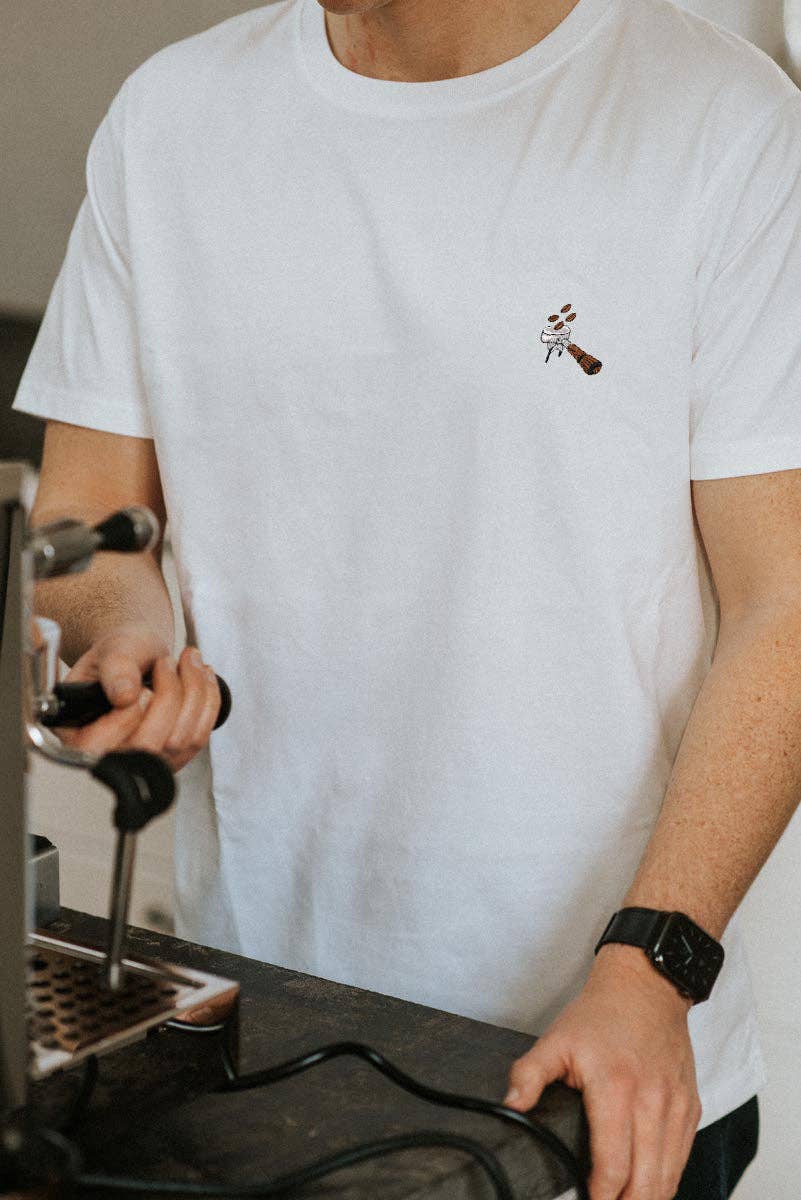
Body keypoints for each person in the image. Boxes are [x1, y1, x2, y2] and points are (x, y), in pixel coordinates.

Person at [13, 0, 801, 1196]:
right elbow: (90, 517)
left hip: (597, 1049)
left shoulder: (723, 125)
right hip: (255, 1021)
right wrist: (126, 636)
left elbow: (783, 604)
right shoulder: (170, 116)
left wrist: (655, 965)